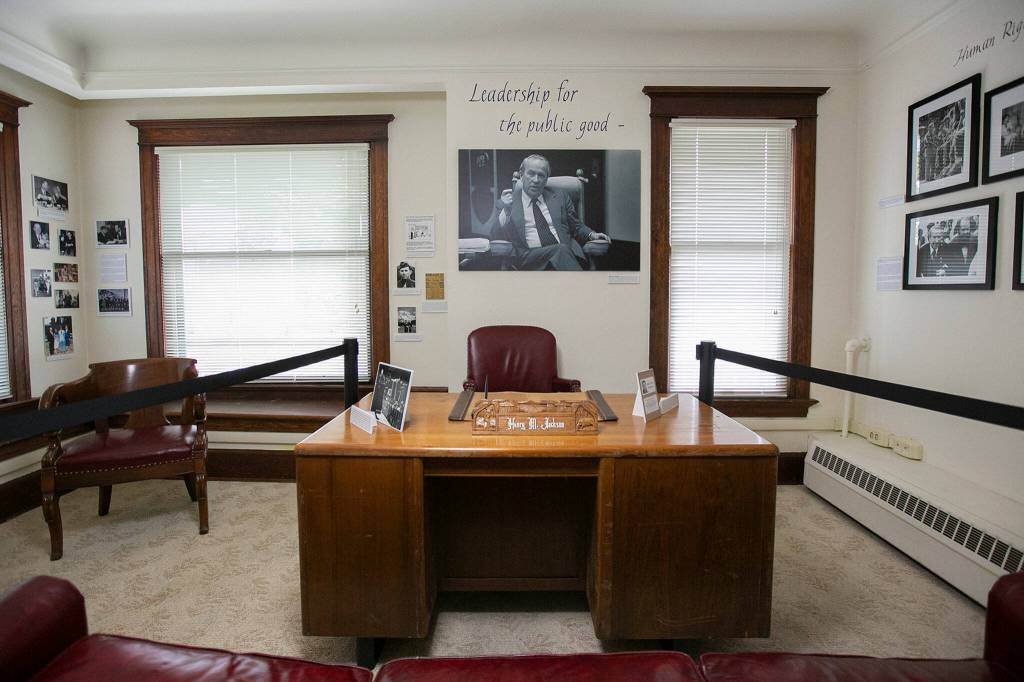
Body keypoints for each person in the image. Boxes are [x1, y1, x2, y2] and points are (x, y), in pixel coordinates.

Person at [485, 154, 611, 270]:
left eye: (541, 175)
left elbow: (576, 226)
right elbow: (494, 236)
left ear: (546, 179)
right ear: (522, 175)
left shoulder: (560, 197)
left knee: (561, 252)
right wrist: (506, 210)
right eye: (531, 174)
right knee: (561, 251)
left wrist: (592, 235)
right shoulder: (508, 201)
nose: (536, 180)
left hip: (564, 256)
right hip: (530, 259)